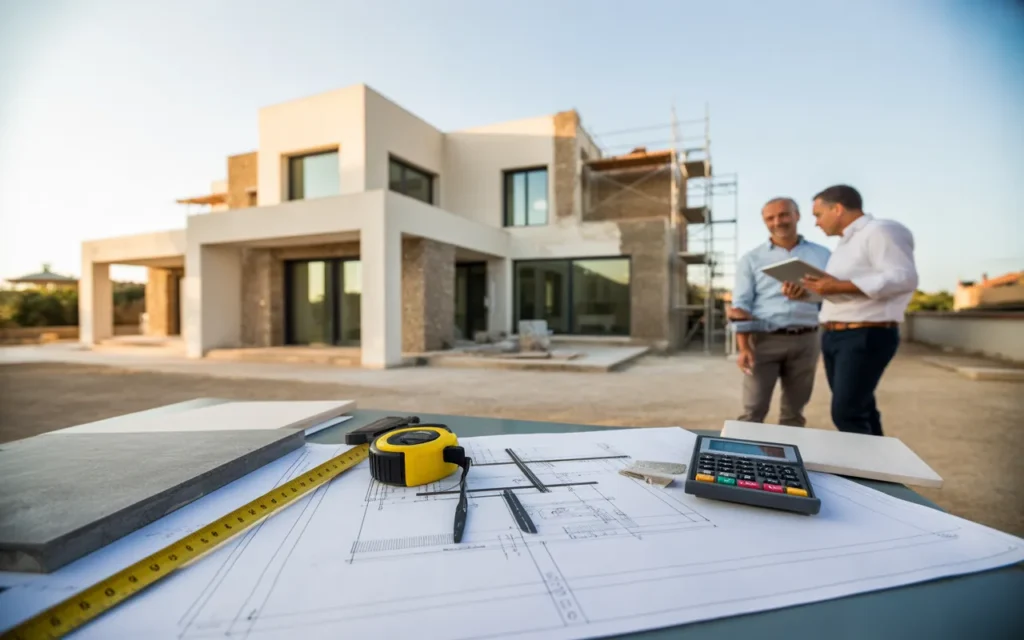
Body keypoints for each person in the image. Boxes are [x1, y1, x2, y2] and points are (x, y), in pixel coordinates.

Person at [784, 184, 918, 436]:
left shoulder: (881, 230)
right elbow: (845, 295)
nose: (815, 223)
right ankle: (882, 470)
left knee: (846, 412)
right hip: (837, 335)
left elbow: (903, 278)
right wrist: (811, 292)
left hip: (865, 335)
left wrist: (838, 285)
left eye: (818, 214)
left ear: (837, 209)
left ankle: (868, 473)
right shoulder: (845, 245)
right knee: (861, 408)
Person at [729, 197, 831, 427]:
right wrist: (744, 347)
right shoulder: (751, 259)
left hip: (807, 340)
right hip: (764, 341)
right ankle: (742, 461)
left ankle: (785, 463)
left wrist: (807, 294)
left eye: (784, 215)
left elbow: (834, 298)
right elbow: (741, 305)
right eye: (770, 218)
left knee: (794, 413)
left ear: (797, 215)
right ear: (765, 221)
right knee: (753, 410)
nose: (778, 221)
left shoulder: (823, 255)